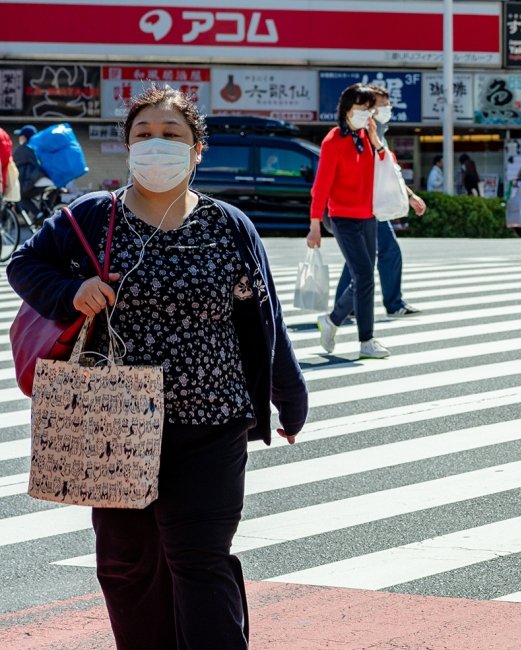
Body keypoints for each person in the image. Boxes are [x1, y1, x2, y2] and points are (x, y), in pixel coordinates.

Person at [6, 86, 308, 648]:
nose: (156, 145)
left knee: (201, 557)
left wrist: (289, 395)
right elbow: (25, 265)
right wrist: (72, 291)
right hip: (114, 417)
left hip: (213, 417)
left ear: (197, 150)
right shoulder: (92, 218)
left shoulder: (229, 224)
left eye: (172, 135)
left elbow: (264, 316)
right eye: (144, 134)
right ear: (127, 148)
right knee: (129, 563)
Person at [308, 83, 392, 360]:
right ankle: (366, 341)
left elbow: (386, 167)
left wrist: (375, 138)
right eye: (360, 107)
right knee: (365, 275)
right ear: (346, 108)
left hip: (368, 215)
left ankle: (331, 321)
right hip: (342, 217)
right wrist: (315, 223)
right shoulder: (333, 140)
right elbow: (321, 186)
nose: (365, 112)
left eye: (368, 108)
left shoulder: (366, 136)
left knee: (363, 276)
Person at [333, 85, 425, 319]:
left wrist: (410, 196)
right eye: (383, 104)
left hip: (369, 205)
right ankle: (391, 304)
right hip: (364, 205)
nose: (387, 108)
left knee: (361, 257)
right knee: (387, 251)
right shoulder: (362, 133)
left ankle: (346, 307)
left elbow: (387, 171)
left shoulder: (376, 131)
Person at [12, 125, 44, 217]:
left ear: (25, 137)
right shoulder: (37, 147)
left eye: (21, 136)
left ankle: (39, 214)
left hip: (34, 180)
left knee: (20, 196)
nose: (19, 138)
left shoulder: (23, 149)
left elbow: (12, 164)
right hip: (43, 179)